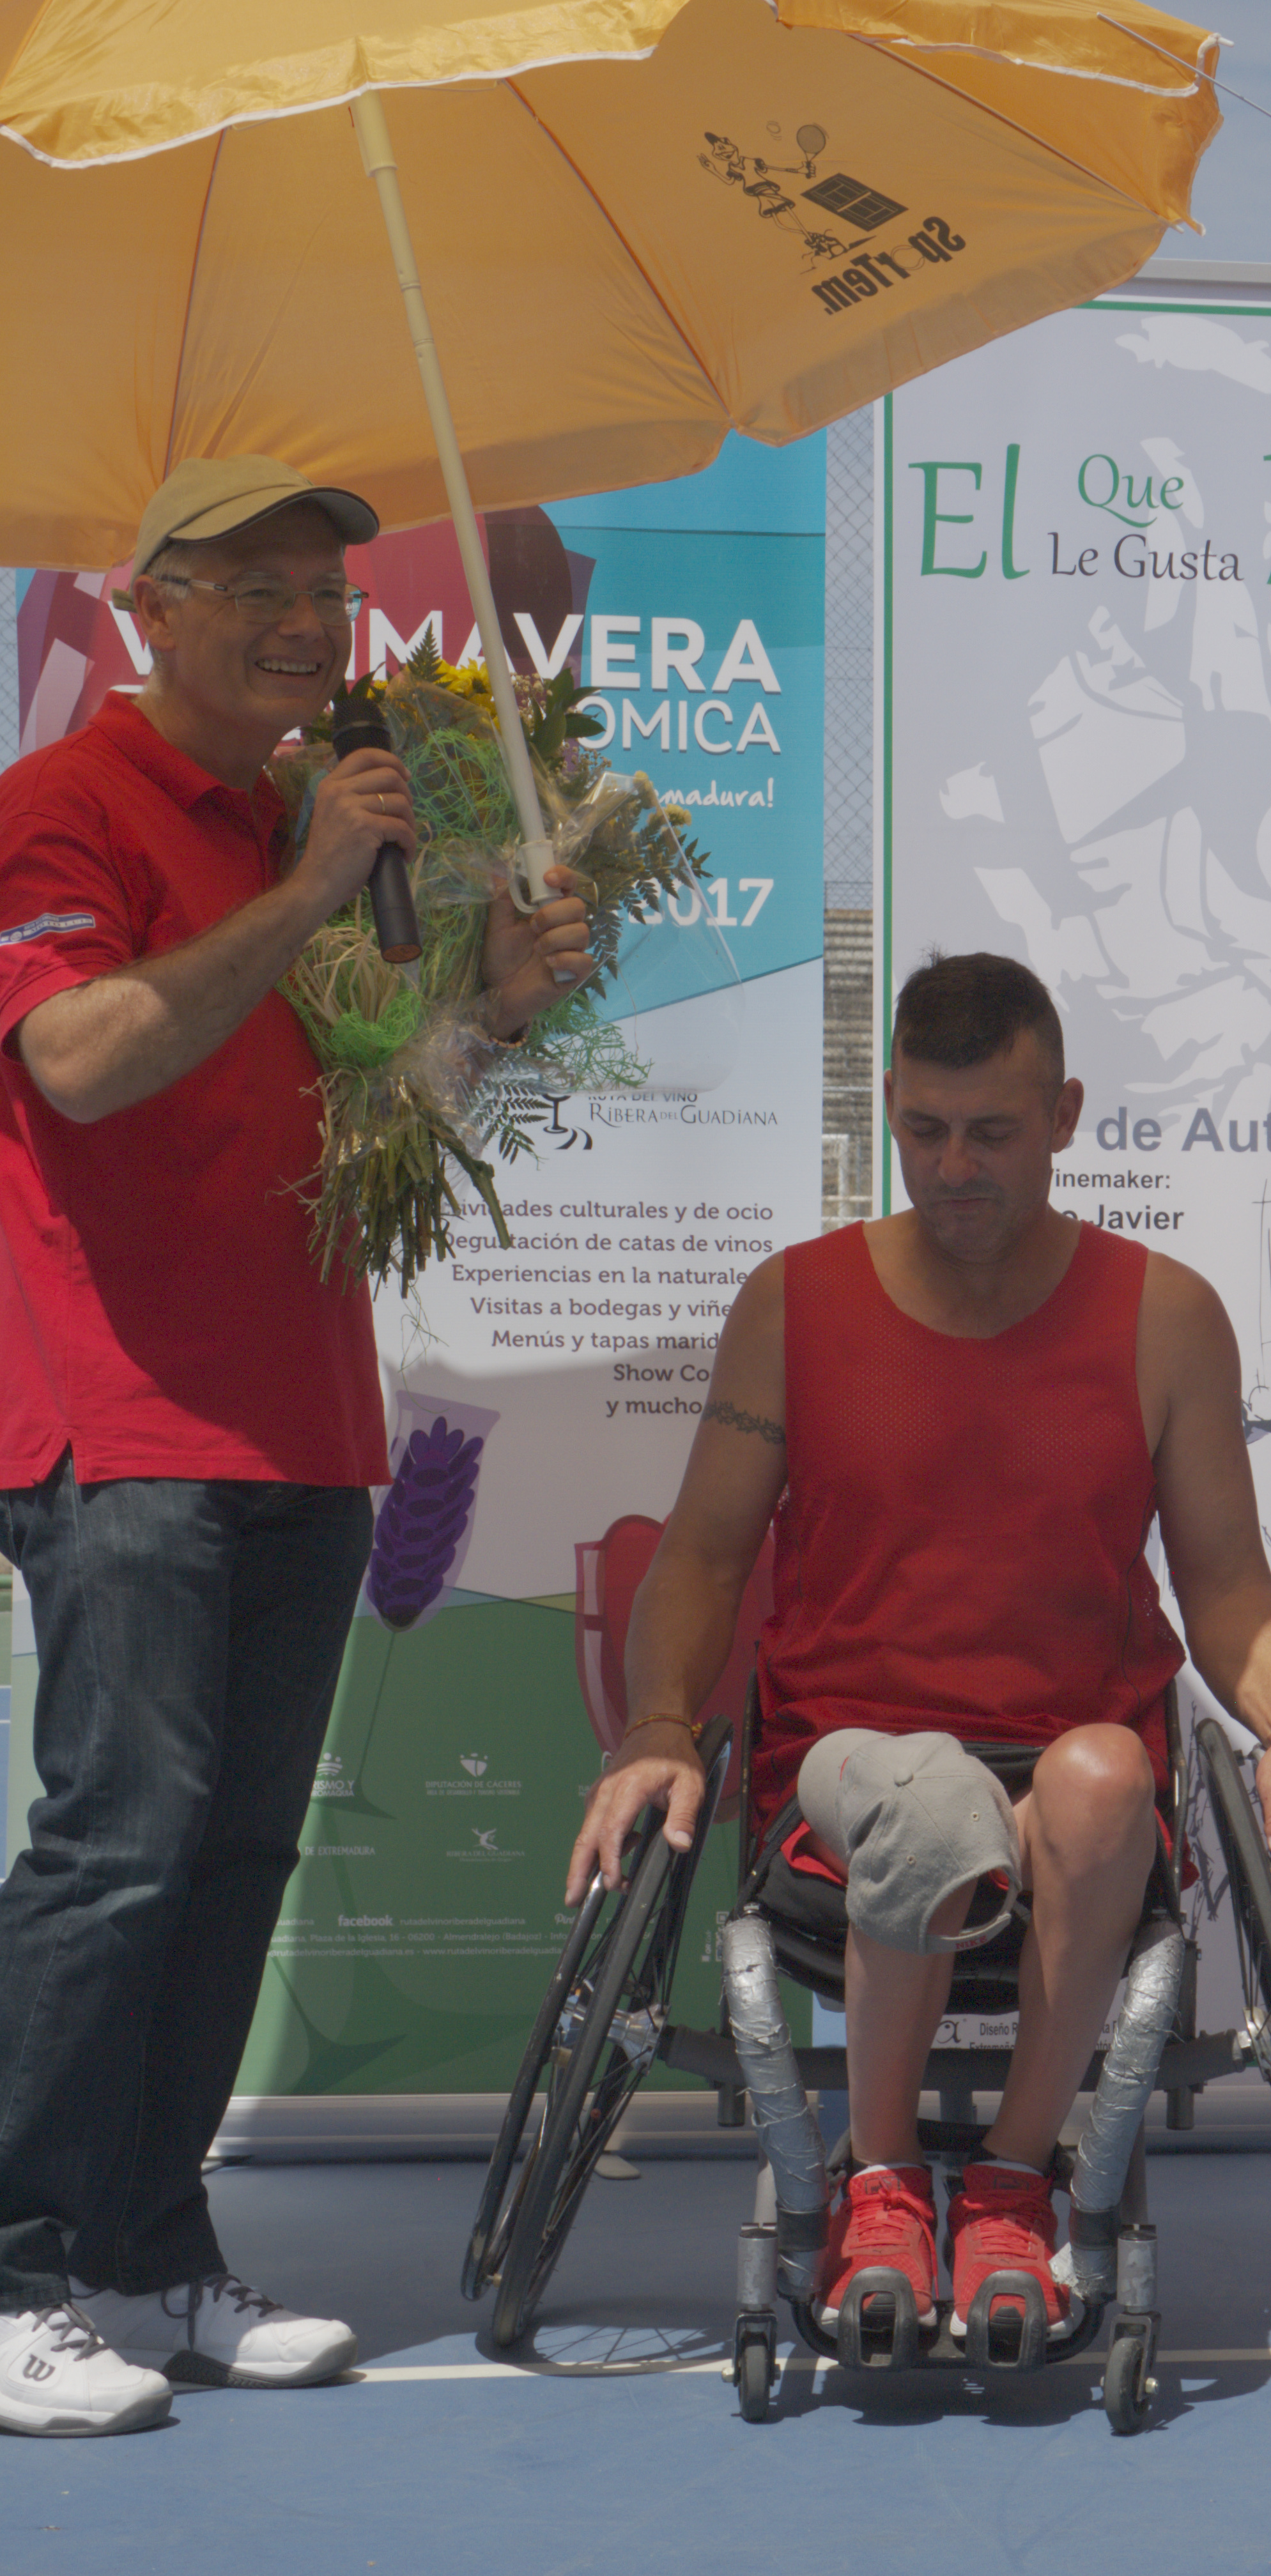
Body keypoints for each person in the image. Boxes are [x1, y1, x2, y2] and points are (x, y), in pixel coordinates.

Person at [0, 456, 594, 2436]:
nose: (297, 623)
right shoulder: (62, 807)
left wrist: (492, 1010)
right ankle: (17, 2273)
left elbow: (374, 1121)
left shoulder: (310, 815)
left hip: (307, 1417)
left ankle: (151, 2255)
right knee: (121, 1846)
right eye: (249, 585)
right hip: (122, 1419)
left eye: (323, 592)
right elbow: (81, 1062)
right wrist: (312, 886)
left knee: (237, 1852)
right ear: (146, 607)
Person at [569, 950, 1271, 2345]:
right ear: (889, 1108)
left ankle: (1010, 2180)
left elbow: (1229, 1587)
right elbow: (702, 1557)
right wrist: (659, 1728)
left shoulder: (1166, 1317)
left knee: (1107, 1774)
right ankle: (877, 2183)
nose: (953, 1167)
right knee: (929, 1794)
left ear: (1065, 1116)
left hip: (1068, 1784)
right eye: (924, 1130)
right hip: (847, 1771)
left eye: (991, 1132)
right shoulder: (793, 1303)